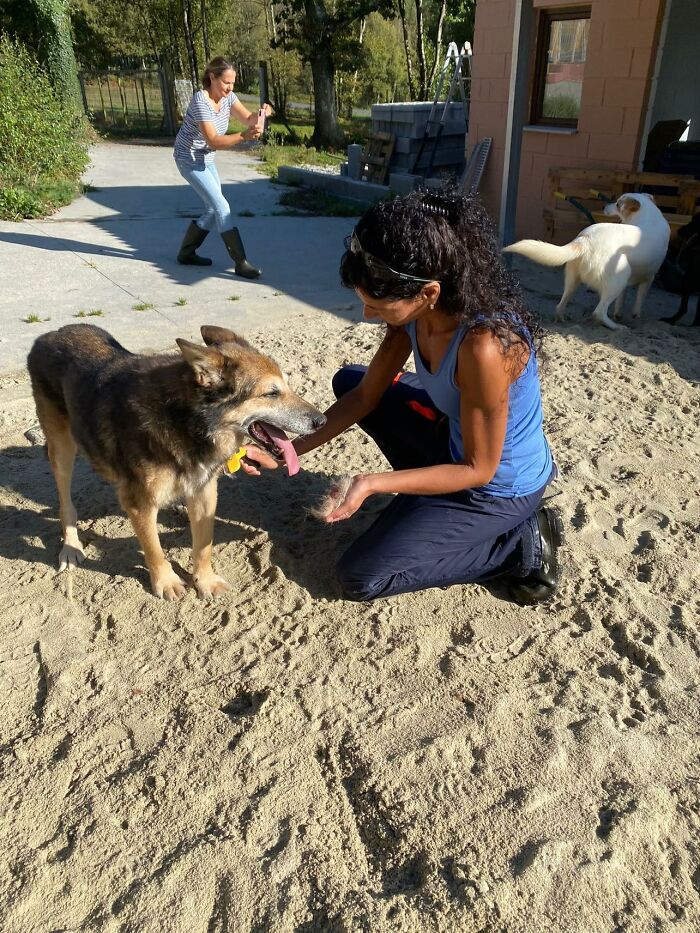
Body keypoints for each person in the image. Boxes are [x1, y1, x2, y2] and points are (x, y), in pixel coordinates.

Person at [242, 190, 564, 605]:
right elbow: (363, 398)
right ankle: (435, 509)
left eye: (377, 306)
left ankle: (519, 545)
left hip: (498, 489)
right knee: (349, 380)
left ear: (427, 293)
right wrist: (286, 449)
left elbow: (479, 469)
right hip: (454, 442)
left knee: (360, 577)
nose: (367, 316)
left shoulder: (486, 346)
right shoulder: (417, 313)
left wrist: (373, 483)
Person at [173, 57, 272, 278]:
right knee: (222, 207)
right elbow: (213, 141)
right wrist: (244, 136)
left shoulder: (229, 98)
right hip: (188, 158)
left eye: (233, 83)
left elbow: (247, 117)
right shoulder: (201, 100)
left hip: (206, 159)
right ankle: (240, 262)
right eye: (226, 82)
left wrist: (262, 114)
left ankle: (186, 253)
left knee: (212, 209)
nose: (230, 88)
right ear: (212, 77)